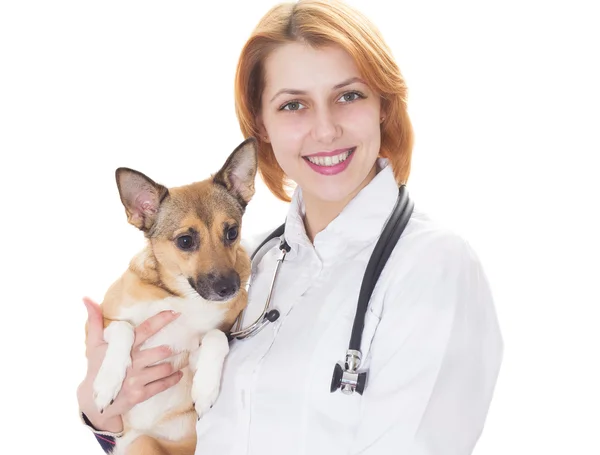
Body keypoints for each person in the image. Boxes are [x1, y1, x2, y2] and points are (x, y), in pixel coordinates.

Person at [77, 0, 504, 453]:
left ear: (384, 104)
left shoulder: (433, 266)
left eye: (349, 95)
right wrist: (104, 414)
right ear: (261, 126)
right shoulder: (253, 266)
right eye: (293, 104)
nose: (325, 130)